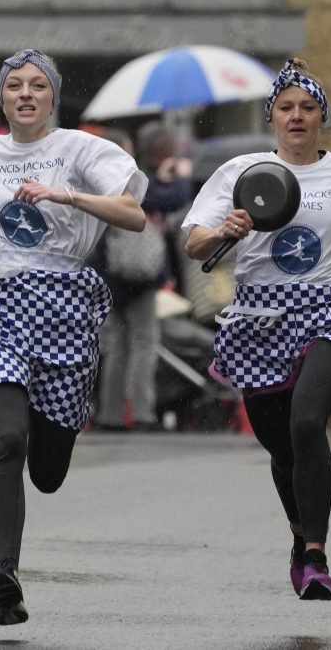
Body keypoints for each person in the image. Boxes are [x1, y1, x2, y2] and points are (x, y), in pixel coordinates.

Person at [183, 58, 331, 600]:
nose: (296, 117)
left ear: (321, 117)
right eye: (286, 108)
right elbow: (195, 243)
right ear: (272, 117)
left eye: (307, 108)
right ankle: (298, 534)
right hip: (259, 318)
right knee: (281, 444)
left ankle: (316, 555)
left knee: (307, 422)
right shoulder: (238, 173)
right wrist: (226, 227)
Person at [0, 49, 148, 625]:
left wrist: (67, 195)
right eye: (14, 86)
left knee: (47, 472)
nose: (25, 94)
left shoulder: (82, 149)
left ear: (53, 96)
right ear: (2, 97)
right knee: (6, 437)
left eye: (37, 85)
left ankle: (54, 430)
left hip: (65, 309)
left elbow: (132, 215)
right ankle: (5, 575)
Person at [92, 122, 191, 432]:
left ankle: (109, 414)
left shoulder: (93, 177)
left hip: (108, 274)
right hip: (135, 276)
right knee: (144, 342)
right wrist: (182, 177)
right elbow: (169, 199)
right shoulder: (125, 178)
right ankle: (141, 412)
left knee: (116, 345)